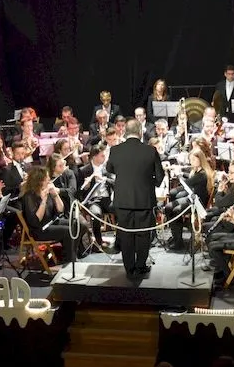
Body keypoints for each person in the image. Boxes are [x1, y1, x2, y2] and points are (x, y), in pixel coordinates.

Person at [106, 119, 165, 279]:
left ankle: (129, 268)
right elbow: (160, 177)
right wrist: (149, 182)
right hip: (144, 200)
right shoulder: (150, 151)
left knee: (126, 235)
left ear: (125, 131)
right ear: (140, 132)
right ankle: (140, 266)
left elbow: (109, 169)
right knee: (142, 235)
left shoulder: (115, 150)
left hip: (123, 200)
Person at [20, 166, 79, 263]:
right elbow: (36, 220)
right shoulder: (29, 196)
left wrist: (55, 195)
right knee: (68, 231)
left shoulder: (46, 190)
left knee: (76, 224)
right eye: (46, 178)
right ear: (39, 181)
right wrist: (43, 200)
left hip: (51, 222)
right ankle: (69, 260)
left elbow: (60, 210)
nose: (49, 179)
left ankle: (70, 254)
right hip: (39, 230)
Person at [164, 148, 214, 251]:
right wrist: (182, 173)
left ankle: (178, 241)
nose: (191, 162)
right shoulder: (197, 171)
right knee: (168, 207)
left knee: (176, 210)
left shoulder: (203, 174)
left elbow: (187, 183)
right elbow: (191, 178)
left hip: (198, 203)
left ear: (200, 160)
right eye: (191, 160)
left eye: (194, 160)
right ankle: (177, 238)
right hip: (192, 199)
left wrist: (178, 174)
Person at [78, 145, 114, 248]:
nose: (105, 157)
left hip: (106, 199)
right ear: (94, 157)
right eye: (102, 156)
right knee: (96, 214)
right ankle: (98, 242)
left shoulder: (107, 168)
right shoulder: (83, 170)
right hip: (92, 200)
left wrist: (104, 179)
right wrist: (86, 186)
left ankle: (121, 239)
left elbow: (115, 182)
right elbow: (79, 191)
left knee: (121, 210)